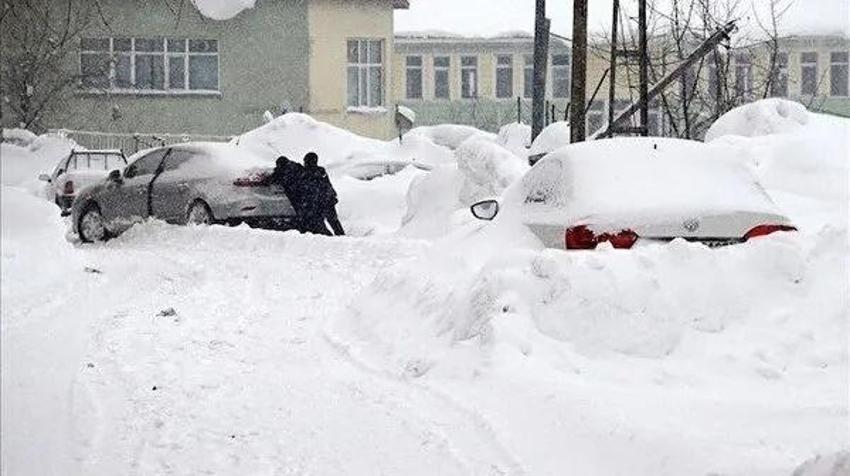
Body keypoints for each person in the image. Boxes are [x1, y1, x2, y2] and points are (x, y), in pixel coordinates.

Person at [301, 152, 345, 236]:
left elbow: (311, 189)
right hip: (327, 200)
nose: (304, 163)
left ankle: (330, 237)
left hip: (320, 202)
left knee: (319, 223)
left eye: (305, 161)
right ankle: (341, 237)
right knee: (333, 221)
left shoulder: (308, 174)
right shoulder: (320, 171)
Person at [268, 156, 309, 232]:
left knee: (299, 213)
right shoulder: (297, 166)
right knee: (305, 214)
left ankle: (303, 230)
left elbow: (272, 179)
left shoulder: (281, 171)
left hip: (294, 195)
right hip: (304, 194)